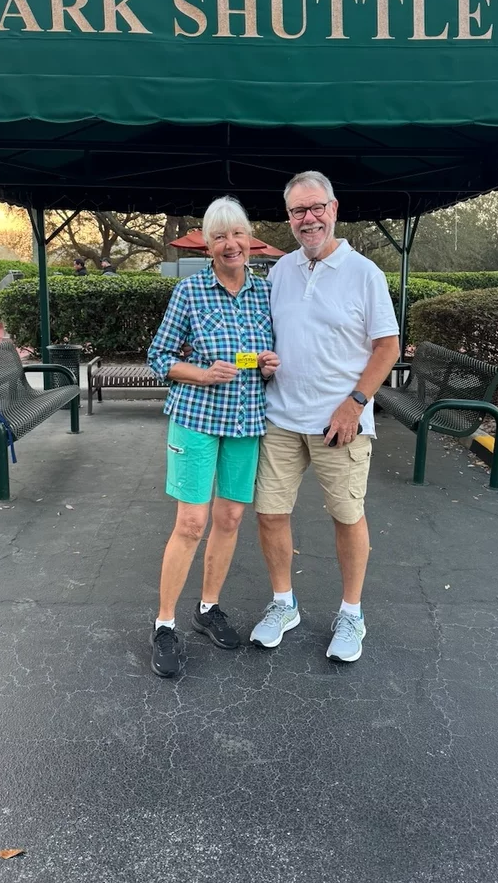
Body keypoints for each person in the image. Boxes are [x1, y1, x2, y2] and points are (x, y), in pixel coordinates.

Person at [251, 171, 400, 663]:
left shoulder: (365, 273)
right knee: (270, 513)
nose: (308, 218)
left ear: (334, 209)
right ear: (289, 217)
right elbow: (272, 338)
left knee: (347, 516)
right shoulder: (280, 271)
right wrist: (263, 361)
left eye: (316, 208)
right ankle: (283, 604)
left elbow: (388, 347)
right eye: (298, 211)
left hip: (341, 423)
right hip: (280, 417)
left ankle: (351, 613)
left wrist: (355, 403)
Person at [147, 196, 280, 678]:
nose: (231, 244)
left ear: (250, 239)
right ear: (208, 245)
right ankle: (164, 624)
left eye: (238, 234)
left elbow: (255, 357)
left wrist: (266, 364)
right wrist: (201, 374)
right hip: (197, 418)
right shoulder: (190, 291)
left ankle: (208, 608)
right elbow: (159, 357)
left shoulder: (266, 292)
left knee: (230, 517)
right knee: (191, 523)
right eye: (220, 236)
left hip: (245, 421)